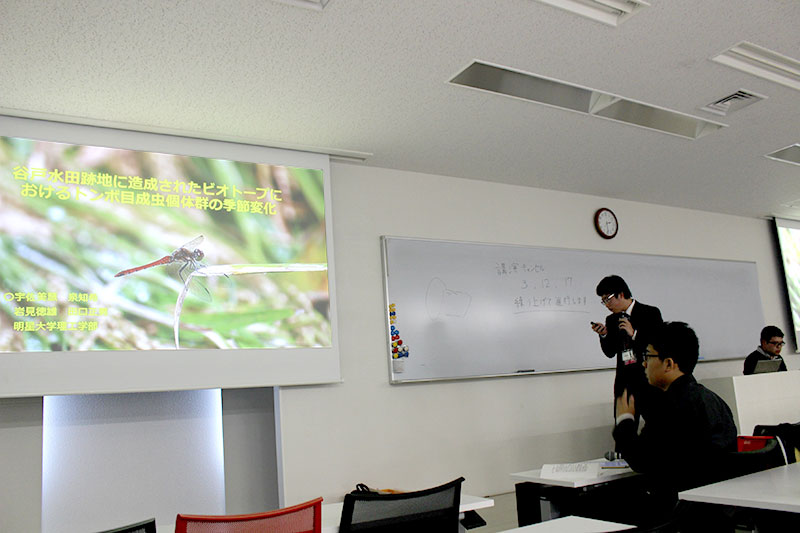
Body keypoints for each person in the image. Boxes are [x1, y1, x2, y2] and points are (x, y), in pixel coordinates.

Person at [613, 322, 737, 531]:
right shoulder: (713, 399)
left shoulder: (671, 406)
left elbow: (643, 460)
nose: (644, 364)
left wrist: (625, 420)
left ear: (669, 363)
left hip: (679, 517)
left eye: (648, 356)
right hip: (717, 516)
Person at [591, 275, 662, 417]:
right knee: (623, 426)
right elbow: (610, 352)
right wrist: (604, 334)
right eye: (603, 301)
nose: (606, 305)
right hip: (624, 383)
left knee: (655, 427)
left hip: (647, 381)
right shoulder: (611, 320)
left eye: (608, 299)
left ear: (621, 294)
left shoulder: (650, 313)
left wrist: (634, 333)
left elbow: (659, 344)